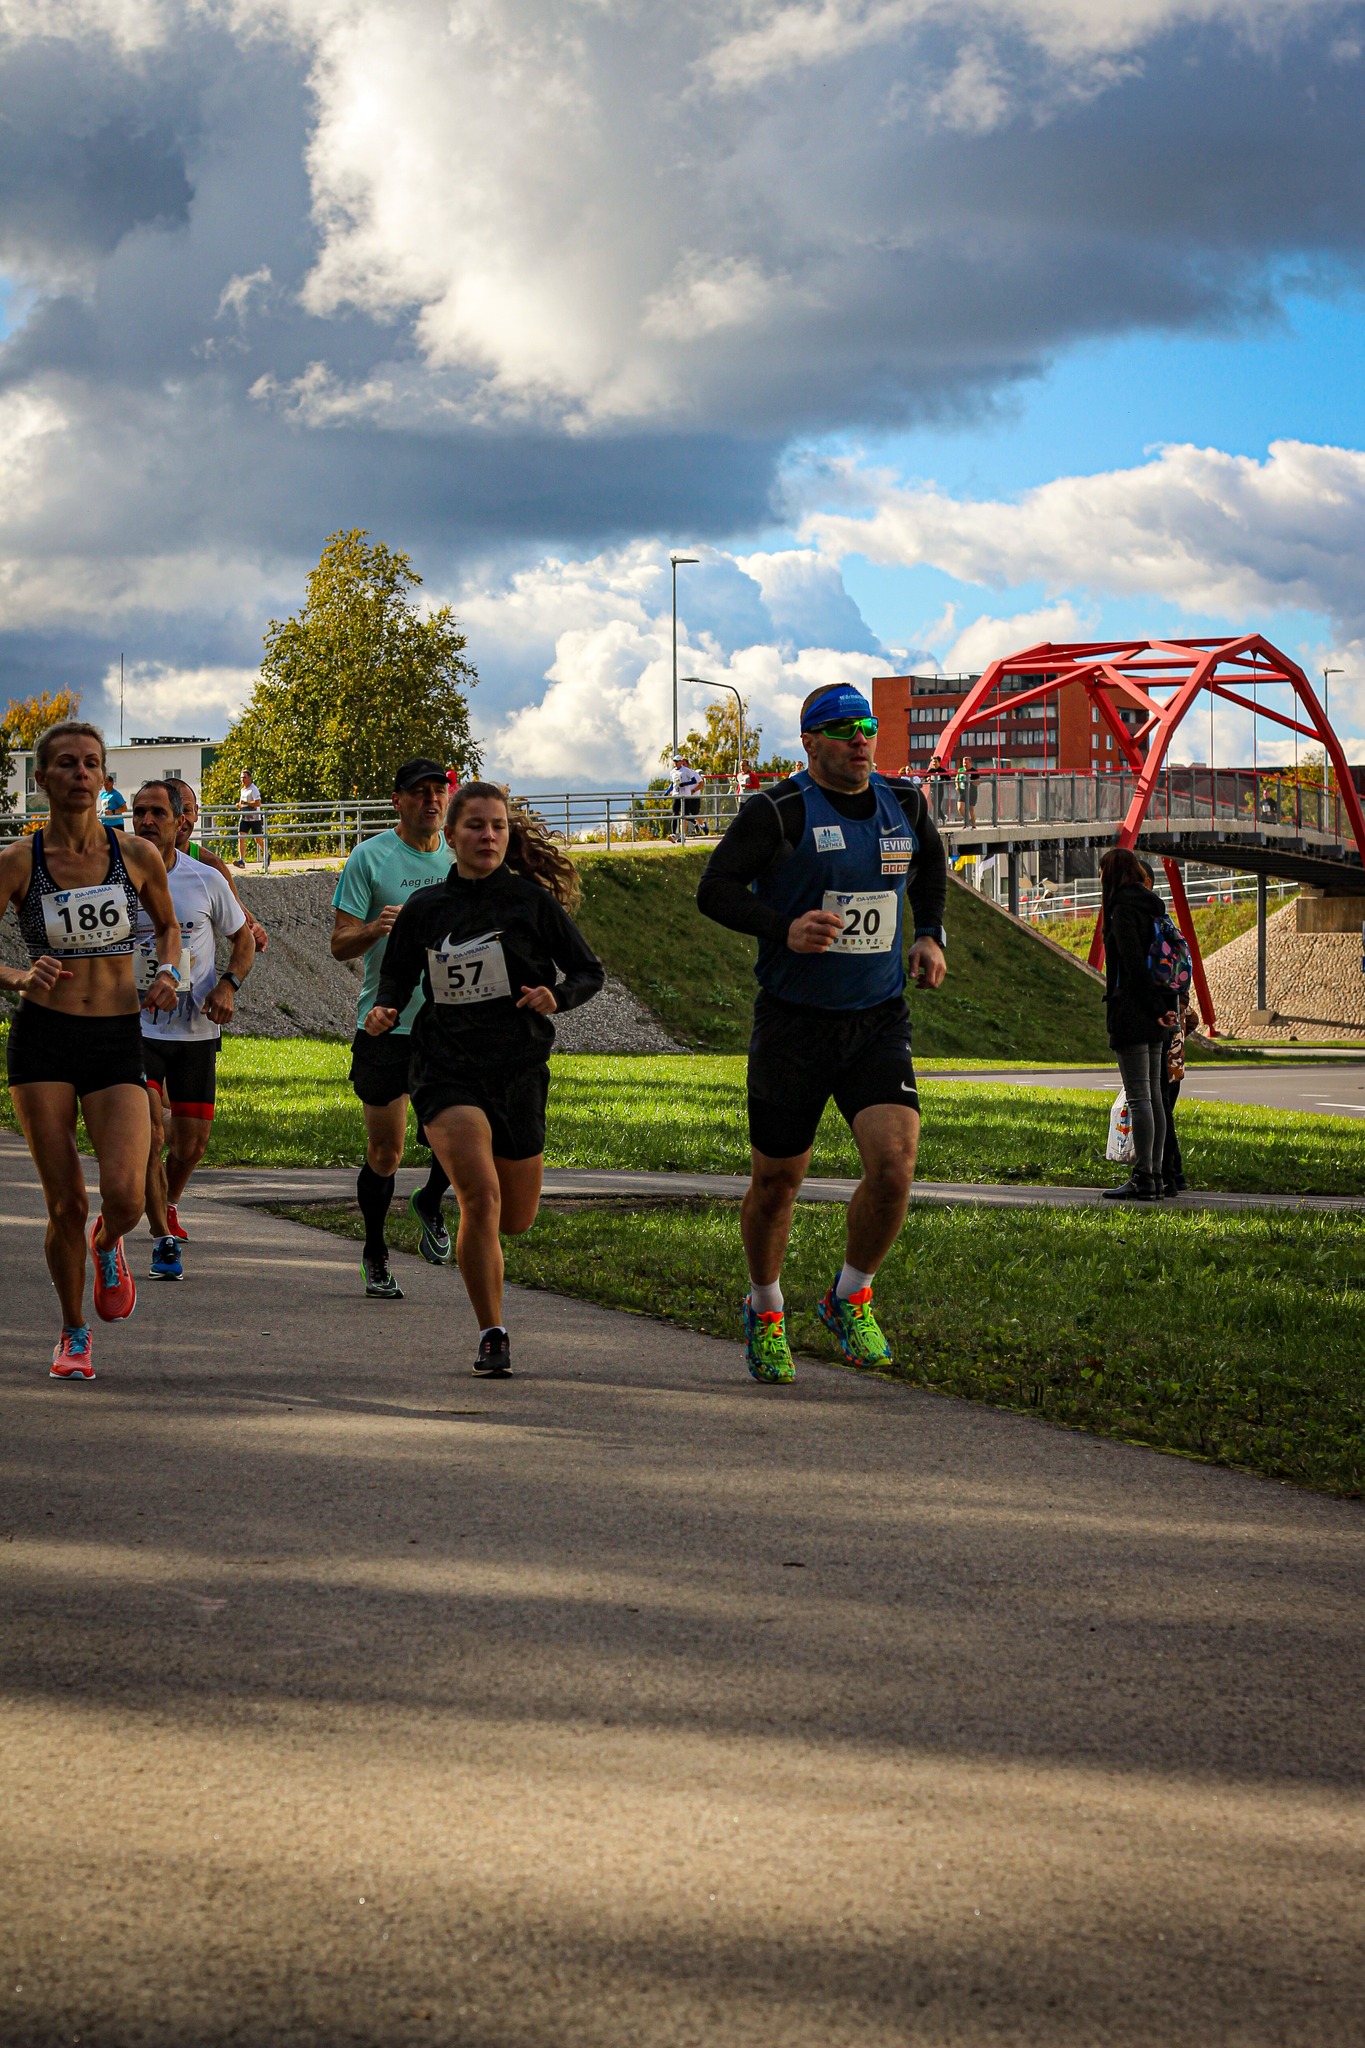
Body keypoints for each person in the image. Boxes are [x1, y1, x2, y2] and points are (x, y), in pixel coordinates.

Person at [696, 684, 948, 1384]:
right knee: (777, 1182)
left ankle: (849, 1296)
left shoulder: (905, 803)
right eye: (841, 730)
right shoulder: (774, 811)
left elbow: (931, 866)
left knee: (894, 1167)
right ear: (809, 742)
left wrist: (928, 935)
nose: (859, 740)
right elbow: (713, 889)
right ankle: (765, 1307)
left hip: (875, 1019)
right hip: (792, 1023)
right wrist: (784, 927)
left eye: (865, 727)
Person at [364, 782, 605, 1374]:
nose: (488, 836)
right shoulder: (426, 910)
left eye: (497, 826)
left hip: (519, 1066)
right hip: (445, 1068)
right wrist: (385, 1009)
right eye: (474, 826)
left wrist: (558, 994)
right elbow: (395, 977)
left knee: (515, 1217)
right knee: (480, 1196)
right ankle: (492, 1331)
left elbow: (588, 971)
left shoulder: (530, 903)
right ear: (450, 837)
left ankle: (470, 1247)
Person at [0, 721, 182, 1378]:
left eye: (92, 764)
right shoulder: (20, 862)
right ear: (43, 778)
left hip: (113, 1037)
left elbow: (168, 929)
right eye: (67, 763)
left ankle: (110, 1245)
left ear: (105, 778)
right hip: (43, 1041)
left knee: (128, 1197)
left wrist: (170, 973)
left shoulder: (136, 855)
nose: (81, 773)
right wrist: (20, 975)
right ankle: (74, 1332)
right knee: (65, 1203)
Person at [330, 759, 458, 1297]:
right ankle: (375, 1250)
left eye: (440, 792)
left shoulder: (460, 858)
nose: (432, 801)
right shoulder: (371, 857)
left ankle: (430, 1199)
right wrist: (375, 927)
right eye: (420, 793)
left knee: (456, 1140)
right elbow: (339, 945)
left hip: (452, 1025)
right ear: (397, 801)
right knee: (387, 1152)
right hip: (385, 1023)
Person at [131, 780, 256, 1278]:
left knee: (191, 1145)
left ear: (180, 820)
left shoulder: (204, 879)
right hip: (135, 1028)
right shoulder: (115, 879)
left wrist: (227, 985)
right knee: (150, 1134)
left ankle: (165, 1201)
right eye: (139, 811)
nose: (146, 821)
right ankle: (162, 1238)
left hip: (195, 1028)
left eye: (157, 812)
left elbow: (242, 939)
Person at [1099, 846, 1178, 1202]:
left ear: (1113, 874)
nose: (1100, 878)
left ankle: (1144, 1175)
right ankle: (1158, 1174)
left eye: (1103, 872)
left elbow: (1131, 966)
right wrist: (1163, 1007)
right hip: (1156, 1011)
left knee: (1140, 1097)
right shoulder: (1152, 909)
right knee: (1154, 1099)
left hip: (1133, 1012)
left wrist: (1150, 1006)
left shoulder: (1122, 912)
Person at [166, 778, 269, 962]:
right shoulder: (134, 861)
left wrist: (254, 927)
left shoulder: (210, 864)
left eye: (186, 811)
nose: (180, 820)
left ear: (196, 813)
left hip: (196, 988)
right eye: (172, 811)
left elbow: (237, 908)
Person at [235, 769, 267, 870]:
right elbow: (241, 803)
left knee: (258, 840)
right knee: (241, 838)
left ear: (250, 778)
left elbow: (258, 803)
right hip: (244, 817)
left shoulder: (254, 789)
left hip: (254, 818)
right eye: (241, 777)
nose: (242, 779)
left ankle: (266, 854)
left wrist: (247, 803)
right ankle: (242, 860)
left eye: (244, 777)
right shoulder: (242, 790)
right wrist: (239, 805)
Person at [670, 755, 704, 841]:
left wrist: (692, 790)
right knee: (677, 814)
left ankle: (698, 824)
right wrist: (668, 792)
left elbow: (700, 783)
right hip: (679, 795)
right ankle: (676, 834)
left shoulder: (691, 772)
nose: (682, 765)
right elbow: (673, 784)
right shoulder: (674, 772)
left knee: (689, 815)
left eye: (684, 763)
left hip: (692, 796)